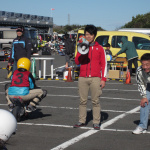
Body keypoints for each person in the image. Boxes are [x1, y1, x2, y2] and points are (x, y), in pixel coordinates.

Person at [74, 25, 107, 130]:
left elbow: (104, 64)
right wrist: (82, 51)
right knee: (82, 101)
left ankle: (96, 122)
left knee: (95, 101)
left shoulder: (100, 48)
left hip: (95, 78)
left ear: (94, 35)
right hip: (83, 77)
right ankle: (81, 121)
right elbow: (77, 61)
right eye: (86, 34)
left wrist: (103, 79)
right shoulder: (82, 46)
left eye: (90, 34)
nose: (88, 36)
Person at [132, 53, 150, 134]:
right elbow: (141, 84)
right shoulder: (139, 71)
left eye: (147, 64)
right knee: (144, 103)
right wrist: (144, 96)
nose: (145, 67)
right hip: (148, 85)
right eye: (143, 64)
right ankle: (142, 126)